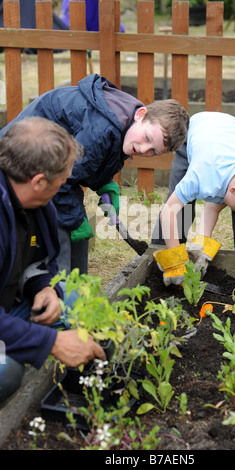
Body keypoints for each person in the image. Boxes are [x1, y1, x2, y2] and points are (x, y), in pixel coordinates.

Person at [0, 74, 190, 275]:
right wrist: (75, 221)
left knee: (76, 231)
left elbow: (97, 157)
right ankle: (59, 286)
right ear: (141, 114)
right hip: (19, 162)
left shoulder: (126, 124)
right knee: (62, 229)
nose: (144, 149)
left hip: (53, 165)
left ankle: (77, 288)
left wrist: (104, 184)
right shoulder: (104, 128)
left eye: (153, 151)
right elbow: (65, 182)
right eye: (147, 138)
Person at [0, 117, 106, 403]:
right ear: (38, 181)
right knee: (4, 372)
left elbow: (36, 262)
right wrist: (52, 342)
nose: (65, 185)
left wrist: (43, 288)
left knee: (73, 299)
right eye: (62, 180)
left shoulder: (36, 204)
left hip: (7, 308)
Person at [152, 111, 235, 286]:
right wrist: (176, 261)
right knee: (181, 208)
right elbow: (169, 211)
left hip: (233, 133)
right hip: (193, 133)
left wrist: (201, 249)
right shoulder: (198, 176)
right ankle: (157, 258)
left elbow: (213, 206)